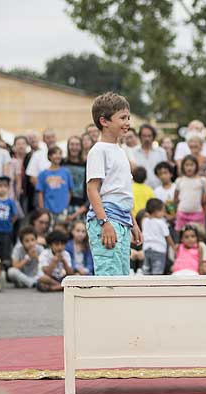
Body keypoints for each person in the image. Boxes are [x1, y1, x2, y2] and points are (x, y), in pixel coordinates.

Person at [86, 92, 142, 276]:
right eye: (122, 118)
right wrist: (104, 223)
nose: (127, 123)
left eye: (128, 117)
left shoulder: (120, 151)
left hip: (123, 219)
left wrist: (133, 223)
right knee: (108, 279)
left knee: (122, 279)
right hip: (107, 219)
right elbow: (92, 189)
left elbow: (121, 192)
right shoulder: (98, 151)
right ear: (104, 121)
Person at [36, 146, 73, 223]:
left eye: (60, 154)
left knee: (61, 230)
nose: (58, 156)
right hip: (48, 209)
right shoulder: (43, 174)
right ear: (49, 156)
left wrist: (66, 206)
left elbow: (70, 191)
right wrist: (42, 209)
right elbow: (40, 193)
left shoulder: (66, 172)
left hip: (63, 209)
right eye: (55, 154)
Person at [141, 198, 175, 275]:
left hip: (146, 249)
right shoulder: (161, 222)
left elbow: (144, 216)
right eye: (163, 211)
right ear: (156, 212)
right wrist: (173, 248)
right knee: (157, 272)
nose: (164, 213)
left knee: (147, 271)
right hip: (159, 250)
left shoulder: (145, 221)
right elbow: (167, 237)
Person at [174, 156, 206, 230]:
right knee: (181, 236)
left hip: (197, 213)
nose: (189, 168)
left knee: (198, 235)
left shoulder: (202, 180)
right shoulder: (179, 181)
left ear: (196, 166)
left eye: (191, 165)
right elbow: (175, 198)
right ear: (183, 166)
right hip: (182, 213)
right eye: (187, 165)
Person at [130, 124, 168, 188]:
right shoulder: (133, 152)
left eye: (149, 136)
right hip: (139, 190)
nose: (147, 139)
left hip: (157, 189)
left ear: (153, 137)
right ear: (140, 137)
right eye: (144, 136)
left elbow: (165, 171)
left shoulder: (161, 152)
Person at [62, 136, 88, 221]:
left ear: (81, 147)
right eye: (72, 144)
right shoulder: (62, 163)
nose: (74, 147)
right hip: (63, 205)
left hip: (81, 207)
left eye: (77, 145)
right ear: (68, 146)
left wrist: (85, 207)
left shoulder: (86, 164)